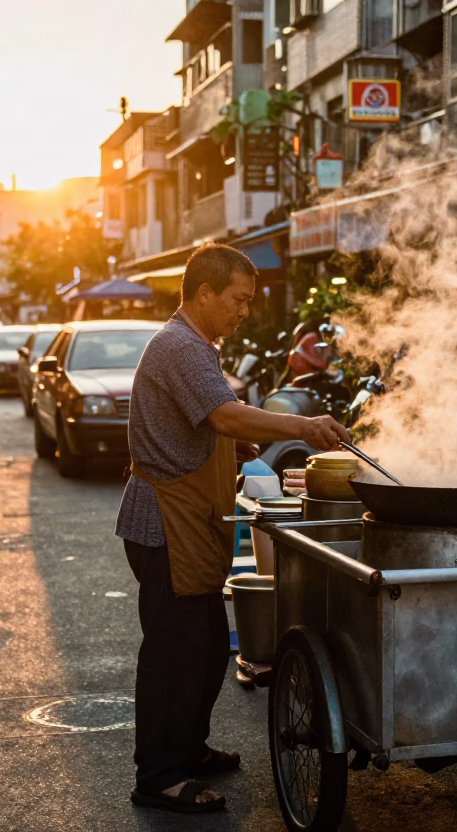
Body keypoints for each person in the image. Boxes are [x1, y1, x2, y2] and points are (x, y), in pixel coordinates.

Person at [116, 244, 350, 815]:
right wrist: (301, 425)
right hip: (164, 522)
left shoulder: (197, 344)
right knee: (176, 653)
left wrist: (235, 442)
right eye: (238, 300)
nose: (244, 311)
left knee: (201, 650)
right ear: (205, 293)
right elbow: (222, 414)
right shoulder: (180, 346)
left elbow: (207, 421)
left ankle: (187, 750)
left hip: (187, 521)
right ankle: (160, 777)